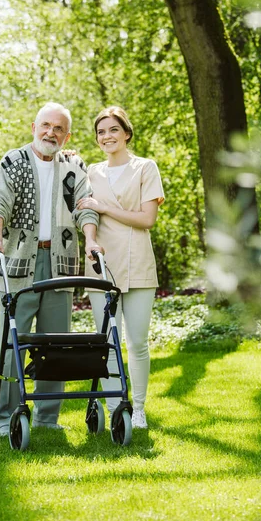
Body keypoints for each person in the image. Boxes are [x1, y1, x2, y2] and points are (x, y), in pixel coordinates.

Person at [0, 102, 102, 437]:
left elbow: (85, 207)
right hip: (19, 263)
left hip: (60, 262)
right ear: (33, 126)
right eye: (46, 125)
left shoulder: (73, 166)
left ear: (67, 135)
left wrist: (91, 240)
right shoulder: (13, 161)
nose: (52, 132)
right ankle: (5, 415)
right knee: (13, 343)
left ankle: (47, 418)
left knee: (55, 344)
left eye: (59, 128)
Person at [77, 106, 164, 429]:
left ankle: (137, 408)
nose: (106, 136)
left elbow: (147, 219)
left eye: (113, 129)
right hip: (100, 266)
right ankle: (116, 407)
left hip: (138, 262)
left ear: (126, 133)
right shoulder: (91, 173)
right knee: (108, 342)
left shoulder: (145, 168)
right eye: (101, 132)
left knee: (137, 342)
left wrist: (104, 207)